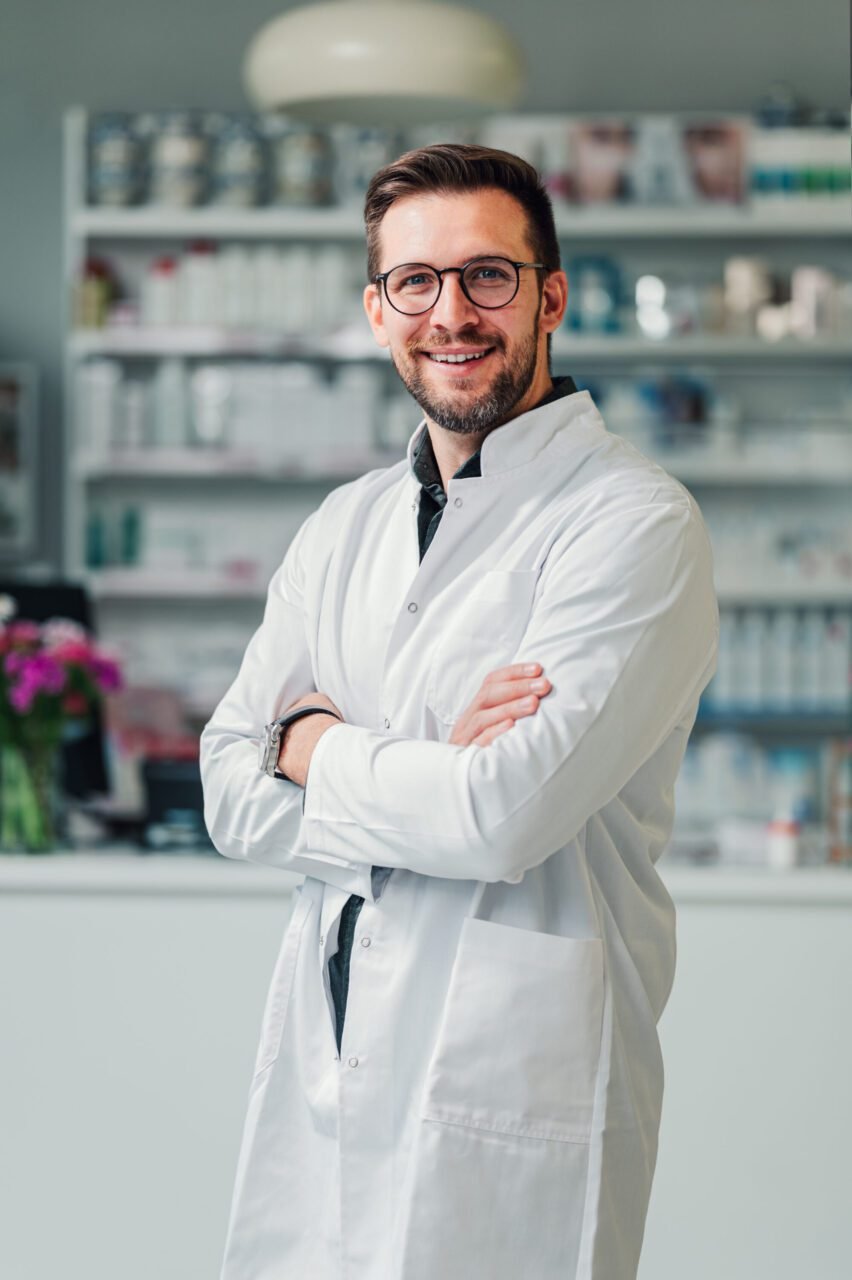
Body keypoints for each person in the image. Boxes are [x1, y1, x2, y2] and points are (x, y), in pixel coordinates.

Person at [200, 143, 719, 1280]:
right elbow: (229, 788)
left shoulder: (633, 525)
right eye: (417, 282)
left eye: (489, 275)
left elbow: (501, 819)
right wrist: (426, 765)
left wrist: (316, 743)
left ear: (552, 294)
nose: (454, 314)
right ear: (380, 309)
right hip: (328, 1054)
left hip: (517, 1073)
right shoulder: (345, 523)